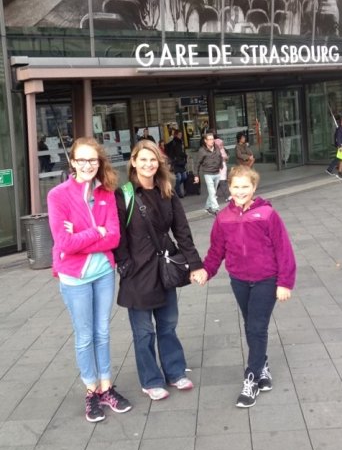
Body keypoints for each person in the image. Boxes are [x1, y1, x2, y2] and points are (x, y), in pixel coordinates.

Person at [193, 165, 296, 408]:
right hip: (239, 279)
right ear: (229, 187)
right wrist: (207, 271)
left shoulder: (267, 214)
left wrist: (285, 283)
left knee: (256, 327)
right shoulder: (223, 217)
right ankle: (263, 367)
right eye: (236, 186)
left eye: (245, 187)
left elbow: (284, 250)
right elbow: (217, 250)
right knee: (252, 327)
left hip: (266, 280)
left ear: (254, 188)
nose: (240, 191)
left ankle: (251, 377)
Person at [47, 137, 132, 423]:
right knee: (84, 336)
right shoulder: (58, 195)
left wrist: (82, 235)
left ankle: (106, 387)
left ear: (99, 162)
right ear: (72, 161)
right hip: (75, 277)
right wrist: (97, 232)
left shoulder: (107, 192)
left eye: (92, 160)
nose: (87, 165)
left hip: (103, 273)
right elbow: (64, 243)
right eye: (81, 160)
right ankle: (91, 391)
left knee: (102, 332)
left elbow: (115, 237)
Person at [114, 139, 204, 401]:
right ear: (133, 162)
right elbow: (118, 234)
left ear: (159, 162)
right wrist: (124, 264)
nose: (148, 164)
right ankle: (151, 379)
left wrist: (195, 264)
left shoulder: (167, 190)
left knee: (168, 325)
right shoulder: (125, 194)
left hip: (164, 269)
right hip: (137, 273)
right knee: (143, 332)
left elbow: (182, 231)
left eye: (153, 159)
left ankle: (175, 372)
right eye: (143, 159)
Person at [194, 131, 223, 215]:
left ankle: (207, 207)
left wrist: (220, 165)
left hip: (217, 172)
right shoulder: (202, 151)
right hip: (208, 173)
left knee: (213, 191)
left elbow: (220, 156)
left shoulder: (216, 147)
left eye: (212, 139)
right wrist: (196, 175)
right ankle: (216, 208)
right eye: (209, 139)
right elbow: (197, 163)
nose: (211, 141)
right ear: (205, 141)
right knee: (212, 191)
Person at [166, 129, 187, 198]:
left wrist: (185, 156)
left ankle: (175, 189)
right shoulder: (173, 143)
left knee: (184, 177)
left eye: (181, 135)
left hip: (181, 162)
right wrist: (173, 159)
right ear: (176, 135)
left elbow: (182, 151)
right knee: (178, 177)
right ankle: (178, 192)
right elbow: (169, 153)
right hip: (175, 163)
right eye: (179, 135)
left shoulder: (181, 142)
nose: (180, 136)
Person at [214, 132, 230, 202]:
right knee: (222, 181)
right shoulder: (215, 152)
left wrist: (225, 158)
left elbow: (226, 157)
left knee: (219, 182)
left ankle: (213, 194)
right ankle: (227, 196)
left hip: (223, 167)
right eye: (220, 145)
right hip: (220, 168)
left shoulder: (222, 150)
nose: (222, 146)